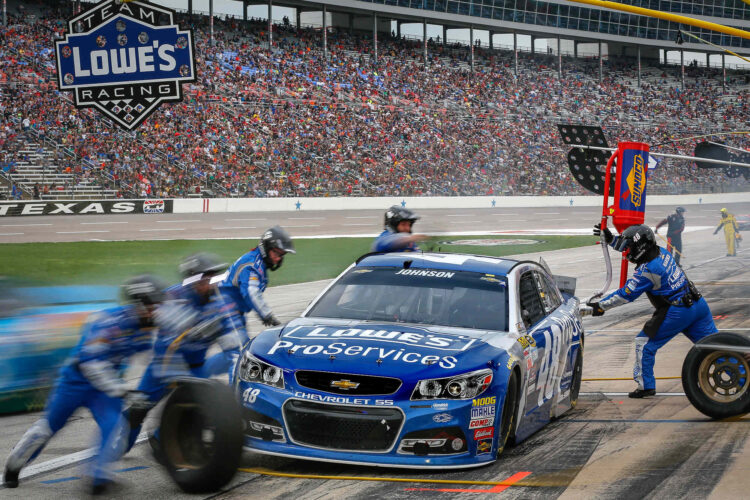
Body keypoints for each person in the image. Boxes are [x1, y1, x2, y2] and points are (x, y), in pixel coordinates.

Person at [3, 275, 166, 494]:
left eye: (159, 305)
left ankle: (98, 480)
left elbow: (150, 357)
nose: (157, 311)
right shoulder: (106, 321)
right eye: (153, 305)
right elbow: (92, 364)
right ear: (139, 302)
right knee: (48, 428)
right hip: (75, 382)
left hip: (104, 389)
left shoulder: (145, 330)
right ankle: (14, 464)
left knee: (115, 426)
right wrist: (123, 390)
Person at [122, 253, 244, 455]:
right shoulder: (170, 297)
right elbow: (161, 335)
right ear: (191, 279)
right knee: (137, 410)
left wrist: (235, 374)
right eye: (204, 279)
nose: (210, 284)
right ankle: (117, 449)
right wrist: (192, 329)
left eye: (212, 278)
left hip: (195, 369)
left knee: (191, 413)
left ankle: (163, 442)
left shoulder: (223, 304)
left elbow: (235, 343)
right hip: (162, 365)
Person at [590, 224, 717, 399]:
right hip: (697, 304)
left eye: (630, 248)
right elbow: (633, 245)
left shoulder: (649, 270)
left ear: (641, 247)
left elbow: (626, 294)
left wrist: (600, 306)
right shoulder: (662, 252)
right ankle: (743, 372)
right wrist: (612, 239)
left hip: (677, 311)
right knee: (716, 347)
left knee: (644, 343)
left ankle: (646, 386)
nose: (627, 251)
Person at [217, 226, 295, 345]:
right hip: (225, 311)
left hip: (232, 312)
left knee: (242, 350)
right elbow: (251, 292)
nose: (278, 258)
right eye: (276, 253)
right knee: (239, 352)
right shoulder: (253, 265)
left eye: (282, 255)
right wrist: (267, 316)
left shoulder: (257, 261)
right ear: (266, 248)